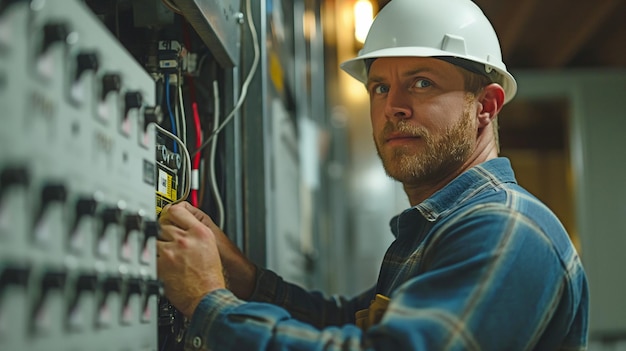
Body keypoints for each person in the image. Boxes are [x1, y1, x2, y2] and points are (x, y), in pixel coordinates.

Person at [156, 0, 589, 349]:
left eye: (422, 83)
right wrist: (245, 279)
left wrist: (208, 301)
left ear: (486, 107)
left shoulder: (505, 228)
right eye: (380, 87)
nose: (393, 106)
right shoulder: (439, 230)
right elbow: (349, 323)